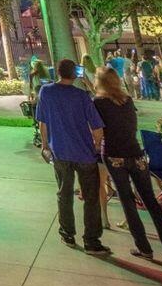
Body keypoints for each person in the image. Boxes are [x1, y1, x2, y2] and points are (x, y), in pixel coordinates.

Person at [91, 66, 162, 260]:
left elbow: (97, 130)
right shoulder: (127, 100)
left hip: (114, 155)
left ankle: (144, 248)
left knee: (127, 201)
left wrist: (95, 145)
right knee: (150, 200)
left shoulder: (98, 102)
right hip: (135, 153)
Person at [35, 57, 109, 255]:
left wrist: (45, 145)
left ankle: (67, 233)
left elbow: (43, 122)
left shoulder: (46, 92)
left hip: (60, 152)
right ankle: (92, 240)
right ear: (75, 74)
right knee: (91, 198)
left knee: (64, 194)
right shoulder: (82, 96)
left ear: (58, 72)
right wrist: (96, 147)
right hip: (84, 154)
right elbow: (97, 128)